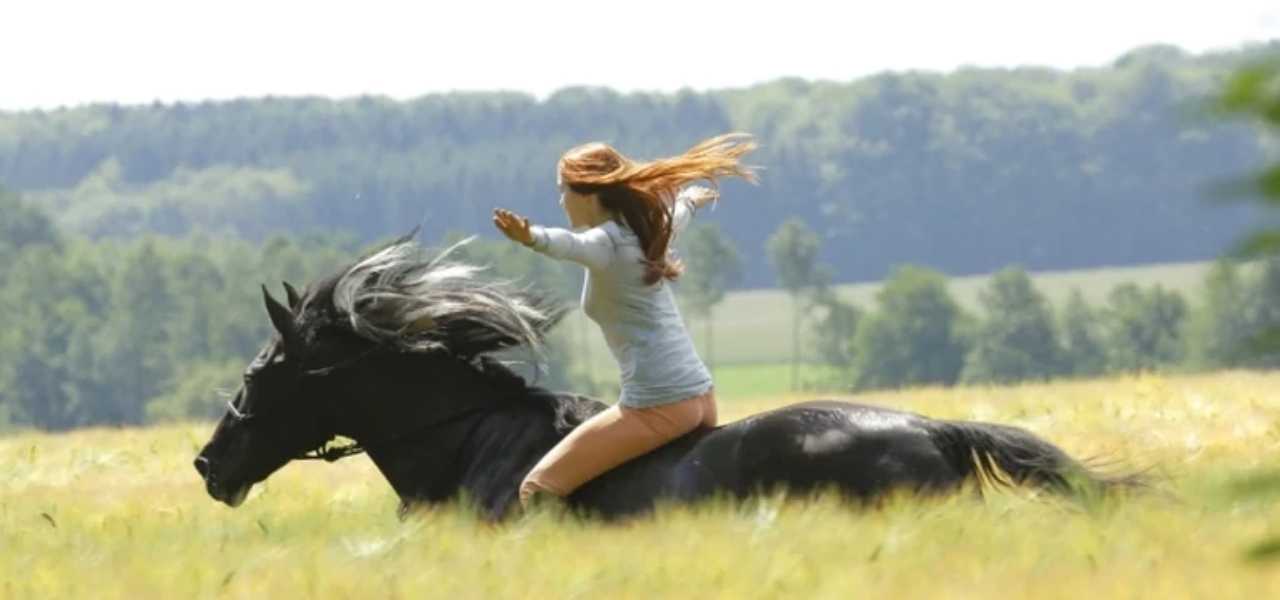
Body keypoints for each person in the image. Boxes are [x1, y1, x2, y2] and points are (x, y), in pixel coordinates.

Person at [492, 133, 758, 507]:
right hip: (700, 398)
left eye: (564, 189)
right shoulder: (644, 230)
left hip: (658, 403)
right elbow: (676, 215)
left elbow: (570, 245)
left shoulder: (607, 243)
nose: (560, 199)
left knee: (537, 488)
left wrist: (531, 237)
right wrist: (689, 201)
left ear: (588, 193)